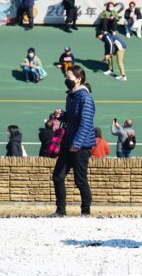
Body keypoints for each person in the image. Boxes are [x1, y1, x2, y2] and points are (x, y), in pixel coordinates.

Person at [50, 65, 96, 217]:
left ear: (78, 79)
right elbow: (72, 118)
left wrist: (76, 144)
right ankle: (60, 211)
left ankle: (85, 211)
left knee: (80, 179)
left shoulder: (85, 98)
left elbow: (85, 123)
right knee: (58, 176)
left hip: (81, 146)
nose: (66, 80)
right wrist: (61, 115)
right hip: (68, 143)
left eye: (69, 77)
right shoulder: (71, 96)